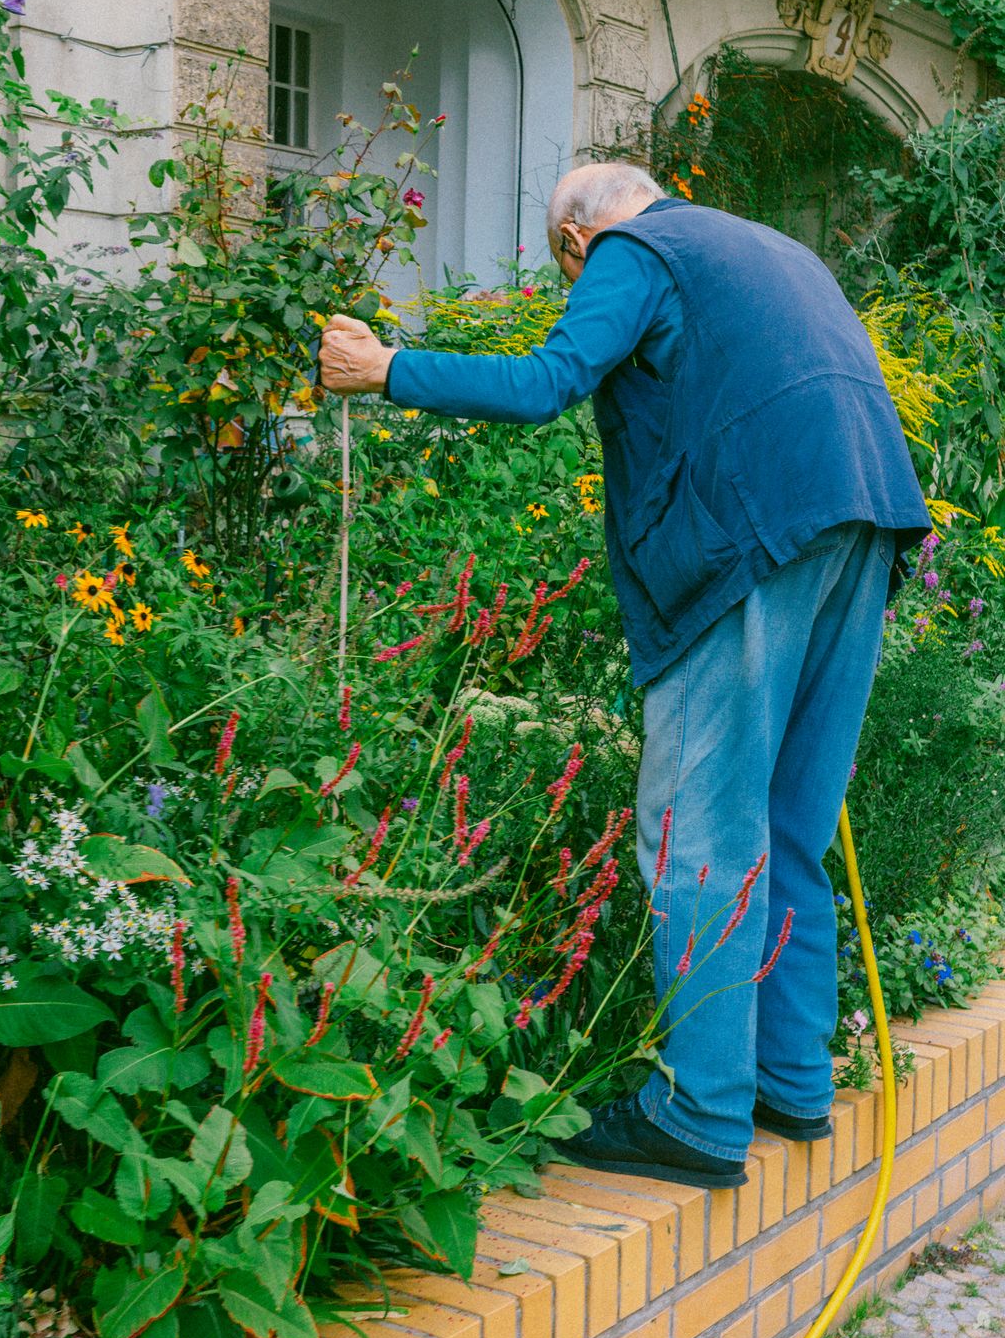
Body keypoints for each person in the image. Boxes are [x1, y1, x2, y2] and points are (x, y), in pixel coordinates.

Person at [318, 163, 930, 1190]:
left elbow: (547, 381)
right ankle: (786, 1084)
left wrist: (386, 369)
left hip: (755, 538)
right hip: (864, 522)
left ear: (571, 241)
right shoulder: (769, 246)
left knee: (698, 831)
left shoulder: (630, 250)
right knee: (788, 826)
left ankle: (696, 1115)